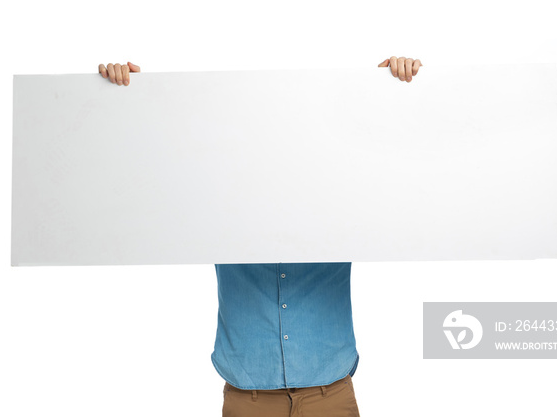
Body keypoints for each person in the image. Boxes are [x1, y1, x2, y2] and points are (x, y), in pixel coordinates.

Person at [98, 57, 423, 416]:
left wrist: (386, 90)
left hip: (330, 396)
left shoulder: (342, 197)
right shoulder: (214, 199)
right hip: (247, 400)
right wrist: (133, 101)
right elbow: (157, 176)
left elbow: (393, 169)